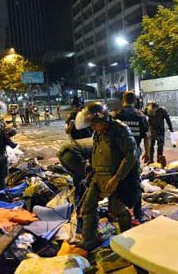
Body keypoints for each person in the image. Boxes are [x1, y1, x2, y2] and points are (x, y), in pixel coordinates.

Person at [76, 102, 140, 253]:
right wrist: (91, 169)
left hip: (116, 177)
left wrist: (117, 177)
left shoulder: (120, 130)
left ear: (102, 119)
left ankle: (126, 243)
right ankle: (89, 240)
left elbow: (132, 155)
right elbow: (97, 151)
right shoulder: (99, 131)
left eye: (94, 124)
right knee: (87, 207)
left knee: (117, 210)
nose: (92, 127)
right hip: (99, 176)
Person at [111, 91, 150, 222]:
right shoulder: (141, 116)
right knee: (135, 183)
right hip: (134, 154)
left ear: (123, 100)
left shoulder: (115, 114)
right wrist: (148, 152)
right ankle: (138, 213)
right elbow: (146, 136)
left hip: (117, 155)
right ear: (135, 100)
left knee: (117, 181)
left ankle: (116, 212)